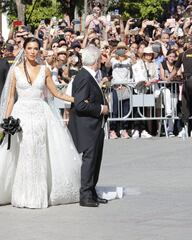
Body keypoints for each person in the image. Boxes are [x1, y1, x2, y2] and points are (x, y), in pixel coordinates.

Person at [0, 38, 123, 209]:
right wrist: (6, 121)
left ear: (39, 50)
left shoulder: (44, 70)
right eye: (29, 48)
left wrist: (78, 100)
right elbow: (10, 99)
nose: (32, 51)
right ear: (24, 49)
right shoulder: (15, 70)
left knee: (39, 152)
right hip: (21, 114)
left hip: (40, 115)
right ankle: (22, 194)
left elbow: (56, 93)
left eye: (36, 48)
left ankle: (38, 194)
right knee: (22, 153)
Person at [68, 45, 110, 207]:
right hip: (87, 125)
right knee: (89, 160)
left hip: (94, 125)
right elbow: (80, 104)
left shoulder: (89, 75)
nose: (101, 61)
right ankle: (85, 195)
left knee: (95, 160)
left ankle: (91, 191)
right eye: (100, 58)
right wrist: (101, 108)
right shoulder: (84, 77)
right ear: (95, 60)